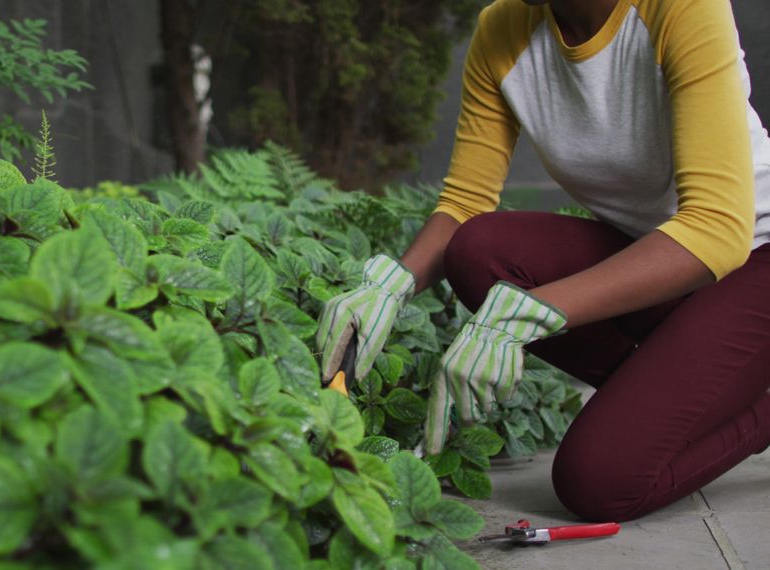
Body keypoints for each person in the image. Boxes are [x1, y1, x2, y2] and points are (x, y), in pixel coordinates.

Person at [317, 0, 770, 523]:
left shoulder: (682, 8)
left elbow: (716, 226)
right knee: (478, 251)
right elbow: (465, 203)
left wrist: (529, 313)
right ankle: (674, 398)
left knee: (599, 480)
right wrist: (391, 286)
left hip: (752, 259)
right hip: (656, 261)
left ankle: (751, 408)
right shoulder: (502, 30)